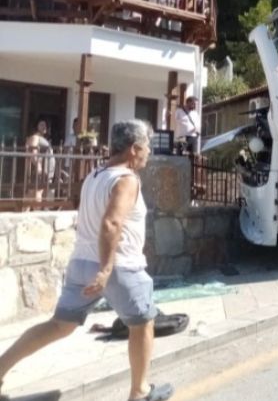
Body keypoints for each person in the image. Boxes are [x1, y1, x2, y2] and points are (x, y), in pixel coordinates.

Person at [0, 121, 174, 401]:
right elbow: (111, 223)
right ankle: (140, 392)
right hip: (119, 267)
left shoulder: (95, 175)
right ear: (134, 149)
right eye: (147, 148)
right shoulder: (127, 179)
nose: (148, 154)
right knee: (143, 323)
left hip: (81, 264)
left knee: (59, 325)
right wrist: (106, 269)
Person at [25, 120, 54, 205]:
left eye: (45, 124)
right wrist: (38, 165)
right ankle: (30, 212)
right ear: (36, 126)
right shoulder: (35, 137)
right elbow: (32, 152)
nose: (44, 126)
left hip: (47, 171)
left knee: (36, 192)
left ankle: (28, 211)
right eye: (41, 124)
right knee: (36, 191)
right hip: (40, 170)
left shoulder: (43, 138)